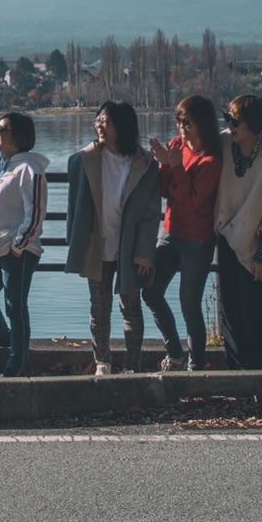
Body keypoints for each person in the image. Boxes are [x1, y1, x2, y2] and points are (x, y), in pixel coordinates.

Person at [64, 100, 164, 375]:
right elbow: (74, 206)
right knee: (99, 308)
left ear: (122, 126)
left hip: (130, 248)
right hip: (97, 245)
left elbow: (151, 213)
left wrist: (145, 253)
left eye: (105, 121)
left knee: (131, 306)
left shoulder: (145, 164)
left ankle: (132, 365)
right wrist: (76, 243)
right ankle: (103, 362)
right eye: (98, 120)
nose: (99, 125)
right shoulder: (84, 160)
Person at [144, 95, 224, 371]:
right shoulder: (177, 146)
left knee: (189, 304)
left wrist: (174, 165)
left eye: (187, 121)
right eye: (179, 120)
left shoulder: (212, 161)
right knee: (151, 291)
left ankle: (196, 365)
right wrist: (166, 163)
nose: (181, 127)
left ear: (202, 123)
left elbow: (192, 201)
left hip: (197, 241)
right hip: (170, 232)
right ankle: (175, 352)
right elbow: (166, 190)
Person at [0, 112, 50, 377]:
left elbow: (35, 211)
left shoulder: (30, 169)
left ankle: (16, 364)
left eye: (1, 129)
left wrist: (19, 245)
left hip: (17, 251)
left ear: (18, 135)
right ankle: (2, 334)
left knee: (15, 306)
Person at [211, 93, 262, 370]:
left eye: (236, 121)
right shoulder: (222, 143)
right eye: (228, 118)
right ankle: (236, 375)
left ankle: (261, 374)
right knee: (230, 311)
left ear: (253, 125)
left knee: (256, 312)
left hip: (256, 246)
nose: (229, 125)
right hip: (226, 237)